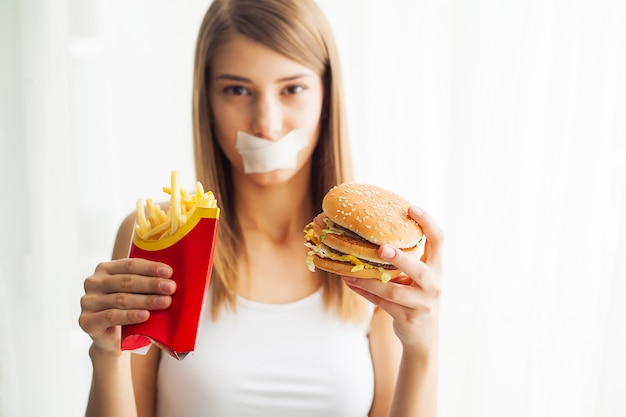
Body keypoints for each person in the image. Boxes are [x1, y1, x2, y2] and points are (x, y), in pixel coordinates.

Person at [78, 0, 443, 416]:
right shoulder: (160, 232)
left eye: (292, 89)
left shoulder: (370, 252)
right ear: (207, 102)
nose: (266, 124)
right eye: (237, 90)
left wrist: (424, 346)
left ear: (327, 95)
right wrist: (107, 355)